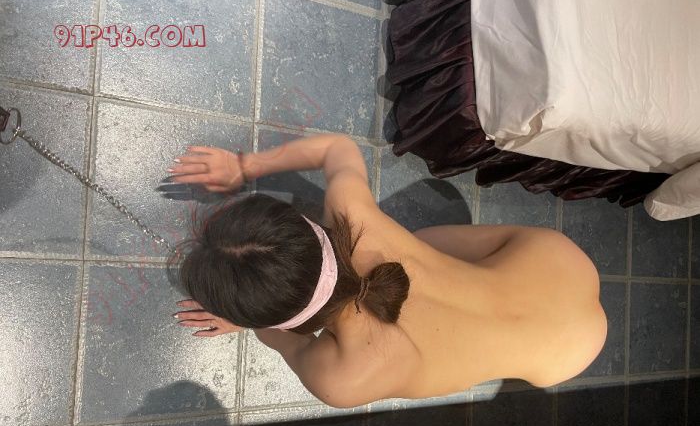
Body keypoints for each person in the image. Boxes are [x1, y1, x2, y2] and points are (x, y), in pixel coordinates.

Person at [167, 134, 607, 408]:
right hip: (559, 264)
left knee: (421, 248)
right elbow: (337, 148)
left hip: (570, 351)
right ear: (303, 225)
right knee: (420, 246)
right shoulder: (352, 216)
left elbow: (279, 335)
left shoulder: (343, 378)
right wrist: (244, 165)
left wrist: (246, 313)